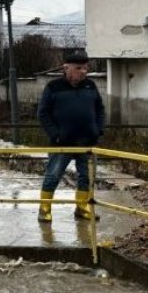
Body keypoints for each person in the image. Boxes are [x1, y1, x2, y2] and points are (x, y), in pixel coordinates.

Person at [37, 49, 105, 222]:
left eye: (85, 68)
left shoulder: (90, 85)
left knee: (87, 177)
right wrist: (56, 134)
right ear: (66, 68)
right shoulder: (53, 87)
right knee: (53, 176)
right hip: (62, 143)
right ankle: (44, 209)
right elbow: (43, 114)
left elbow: (100, 109)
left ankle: (82, 208)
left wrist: (98, 130)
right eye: (79, 68)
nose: (84, 71)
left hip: (87, 142)